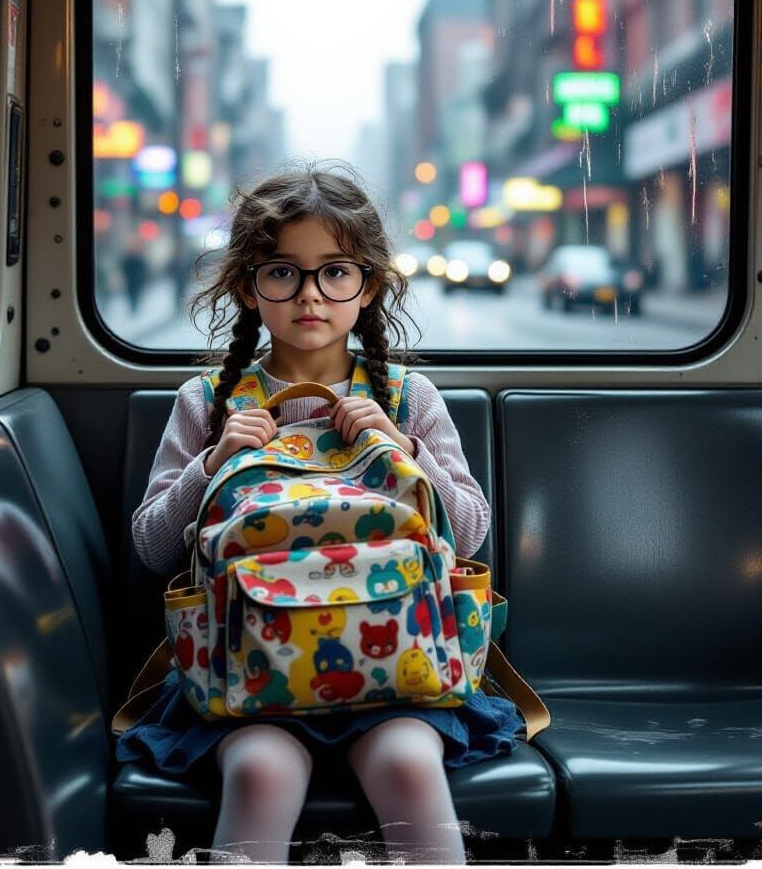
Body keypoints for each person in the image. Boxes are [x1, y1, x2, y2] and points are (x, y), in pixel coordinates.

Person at [116, 160, 525, 865]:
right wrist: (210, 464)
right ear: (249, 285)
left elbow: (471, 530)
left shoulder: (409, 399)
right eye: (283, 273)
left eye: (335, 272)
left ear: (367, 287)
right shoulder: (208, 401)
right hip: (246, 664)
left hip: (399, 665)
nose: (311, 295)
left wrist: (403, 451)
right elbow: (155, 547)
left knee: (407, 764)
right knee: (261, 771)